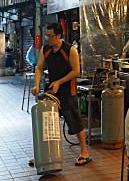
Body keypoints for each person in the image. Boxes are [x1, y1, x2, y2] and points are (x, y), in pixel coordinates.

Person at [31, 22, 91, 166]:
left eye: (50, 35)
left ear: (58, 36)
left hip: (67, 90)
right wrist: (37, 84)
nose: (47, 38)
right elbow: (39, 68)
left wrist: (59, 82)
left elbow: (76, 71)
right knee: (46, 121)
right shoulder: (46, 50)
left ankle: (84, 152)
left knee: (74, 121)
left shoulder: (70, 50)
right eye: (46, 35)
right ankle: (43, 153)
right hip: (52, 90)